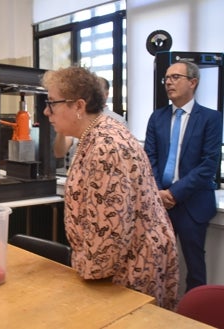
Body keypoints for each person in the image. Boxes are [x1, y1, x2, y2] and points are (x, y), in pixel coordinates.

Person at [42, 66, 179, 310]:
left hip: (130, 267)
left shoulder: (105, 146)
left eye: (52, 103)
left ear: (78, 106)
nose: (46, 111)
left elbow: (110, 234)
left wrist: (84, 273)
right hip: (122, 261)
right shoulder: (95, 135)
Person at [144, 60, 222, 292]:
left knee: (194, 266)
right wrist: (159, 192)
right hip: (160, 203)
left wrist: (174, 194)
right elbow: (150, 158)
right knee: (157, 263)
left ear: (193, 82)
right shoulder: (156, 117)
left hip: (193, 203)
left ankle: (195, 320)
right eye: (166, 78)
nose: (168, 82)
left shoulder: (211, 118)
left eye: (175, 77)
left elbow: (208, 165)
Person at [54, 76, 125, 172]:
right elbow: (59, 152)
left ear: (106, 94)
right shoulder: (78, 117)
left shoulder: (117, 121)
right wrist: (62, 127)